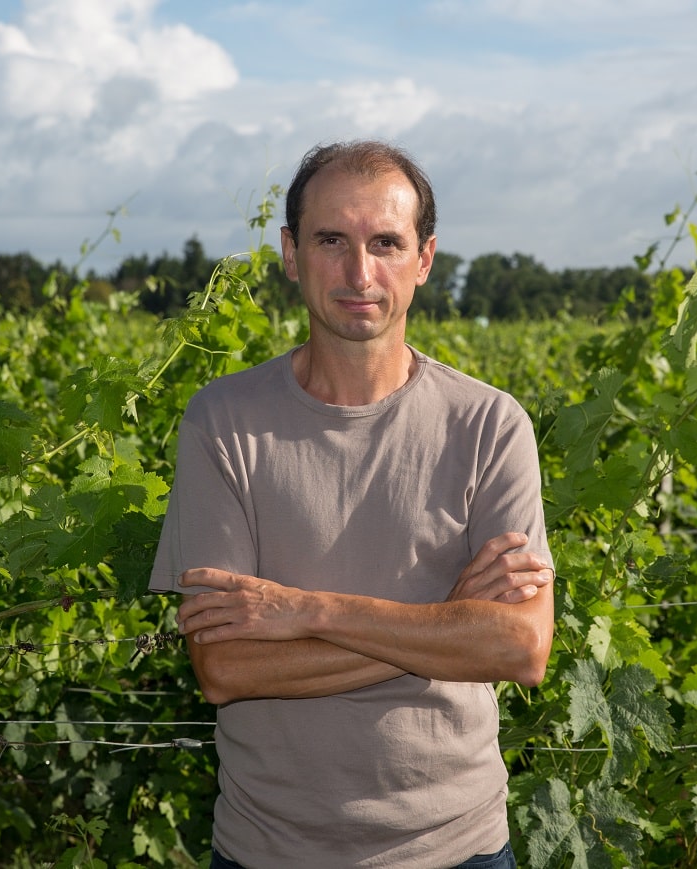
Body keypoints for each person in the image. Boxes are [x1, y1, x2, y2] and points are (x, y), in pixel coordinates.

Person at [149, 140, 555, 869]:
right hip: (266, 850)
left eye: (386, 243)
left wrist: (305, 611)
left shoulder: (491, 425)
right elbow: (225, 667)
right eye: (331, 240)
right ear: (290, 253)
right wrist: (444, 622)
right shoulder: (222, 421)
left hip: (456, 849)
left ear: (424, 259)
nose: (359, 273)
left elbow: (519, 647)